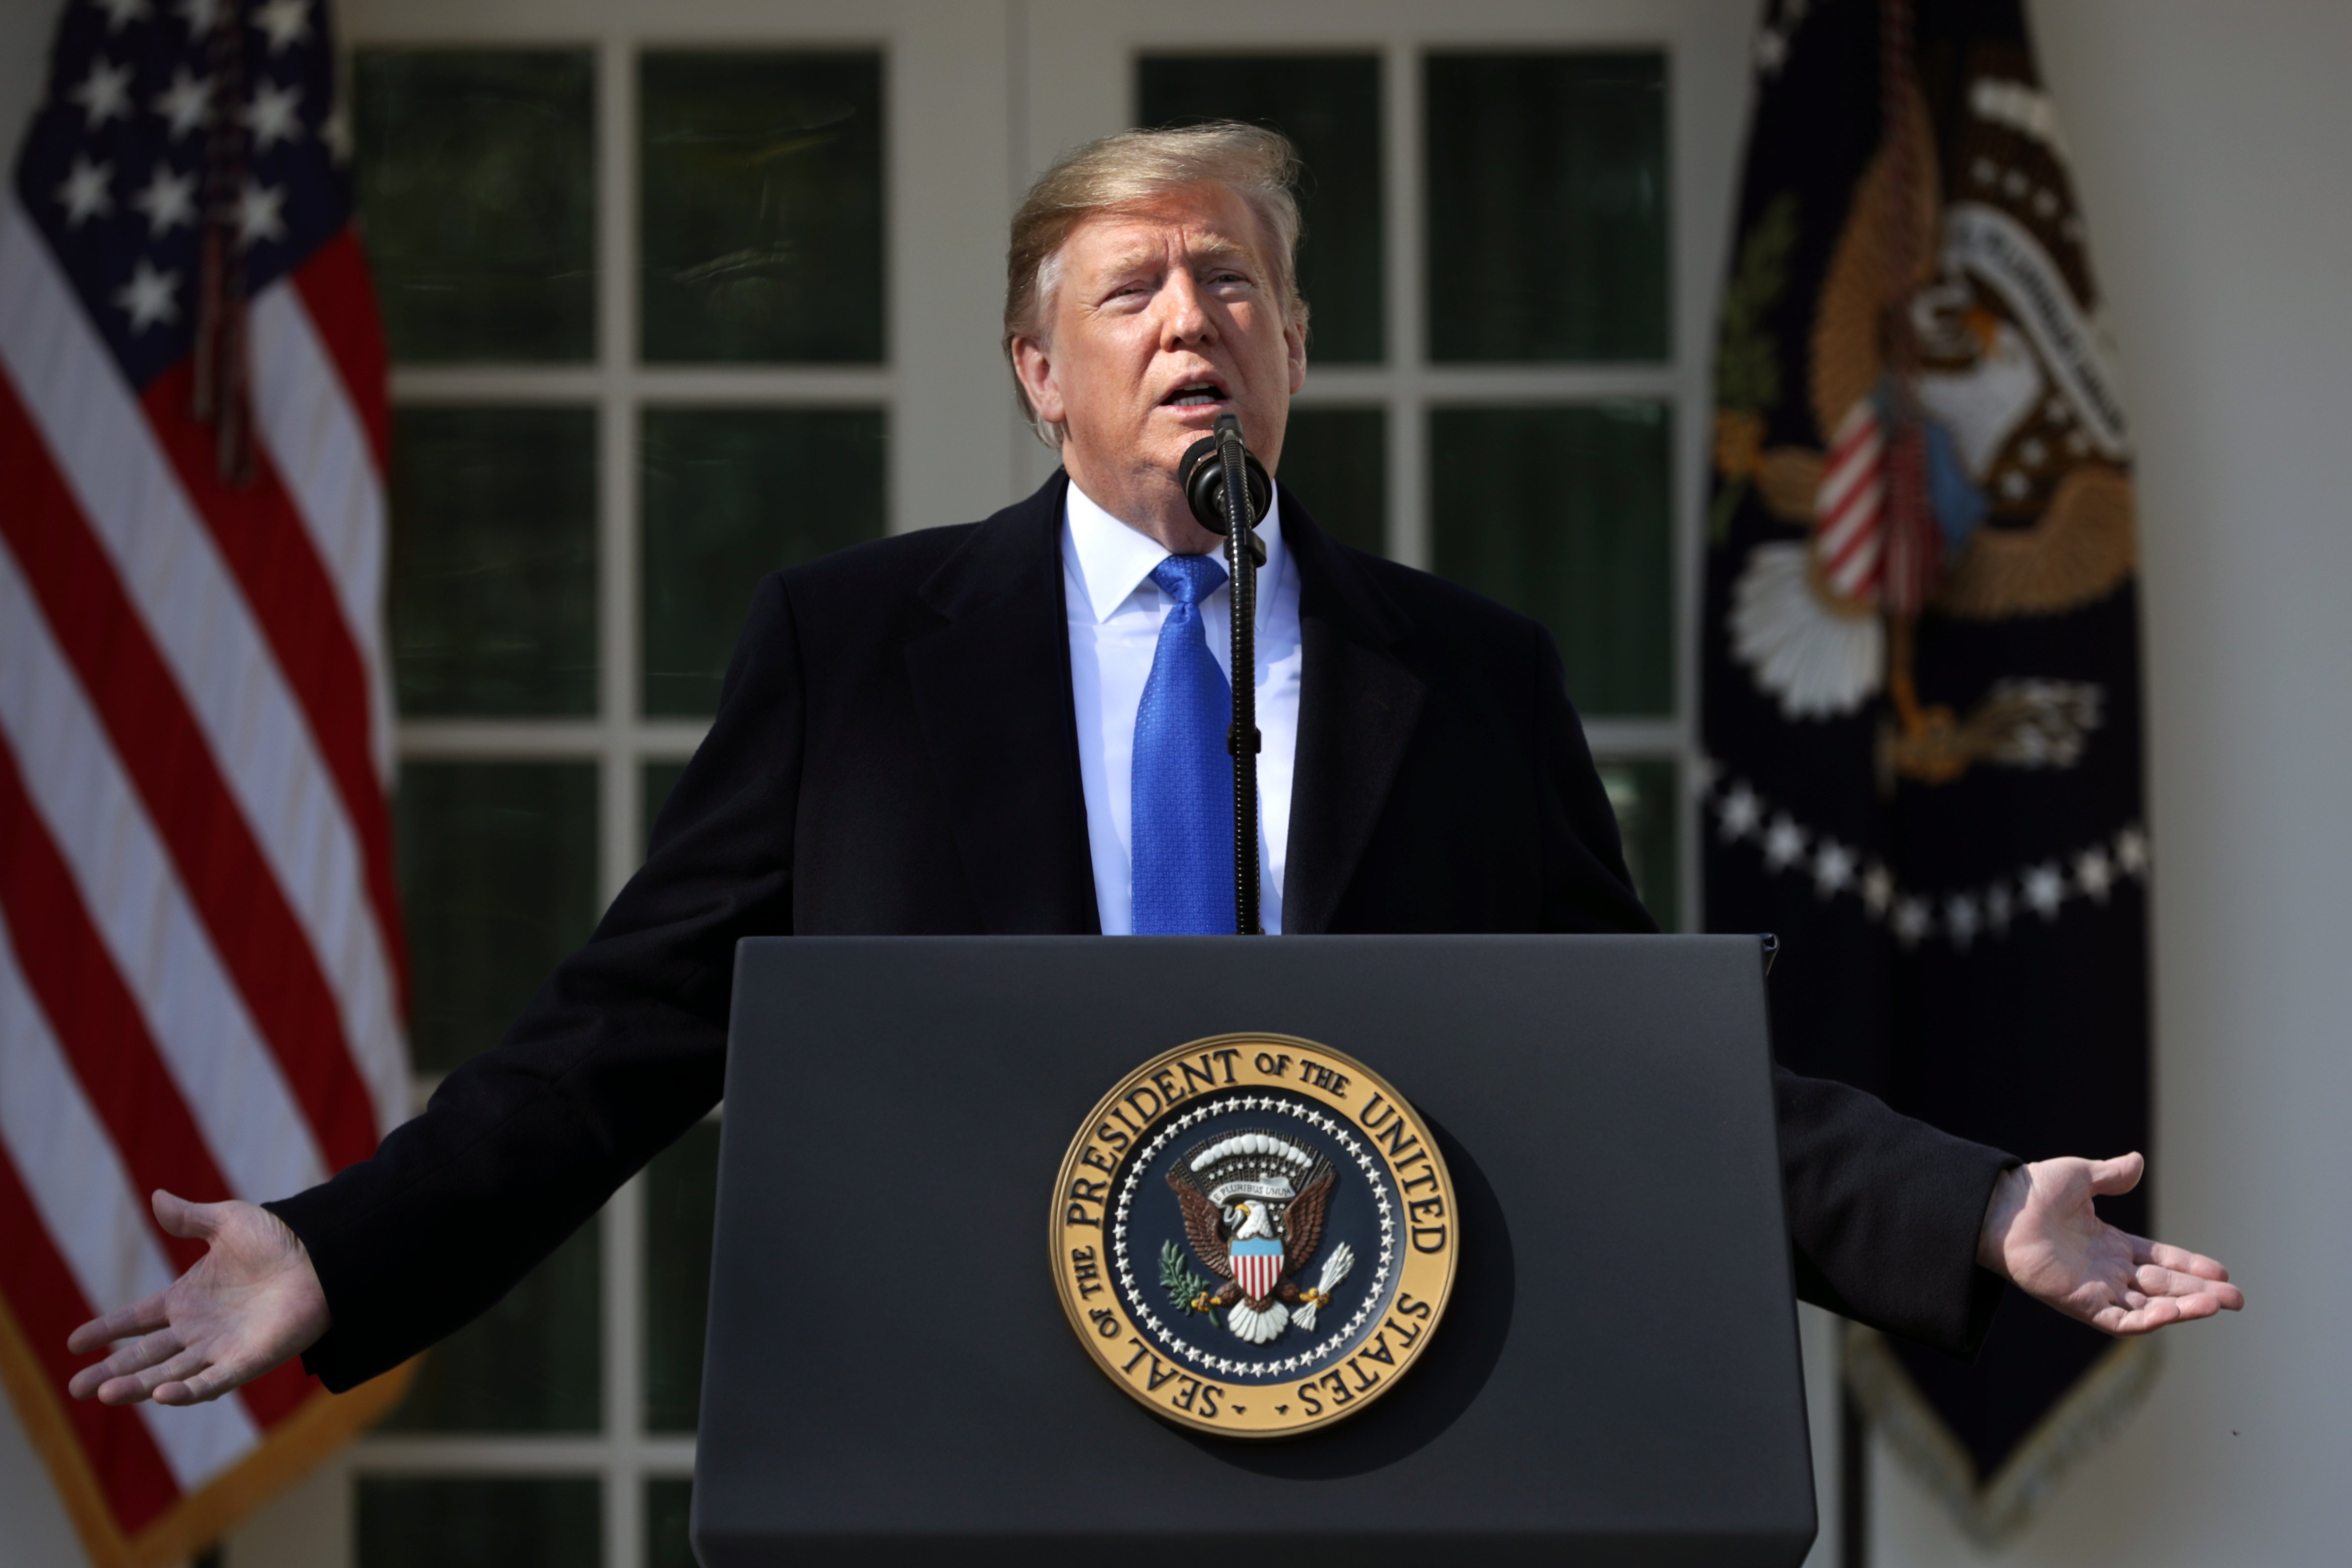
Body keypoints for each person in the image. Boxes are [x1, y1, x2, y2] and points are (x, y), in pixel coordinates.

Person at [66, 124, 2240, 1411]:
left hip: (1366, 1431)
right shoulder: (857, 650)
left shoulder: (1463, 677)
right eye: (1128, 290)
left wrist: (1965, 1203)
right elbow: (628, 1031)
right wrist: (338, 1251)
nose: (1188, 314)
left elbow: (1627, 1058)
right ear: (1040, 371)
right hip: (967, 1428)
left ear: (1294, 346)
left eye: (1231, 279)